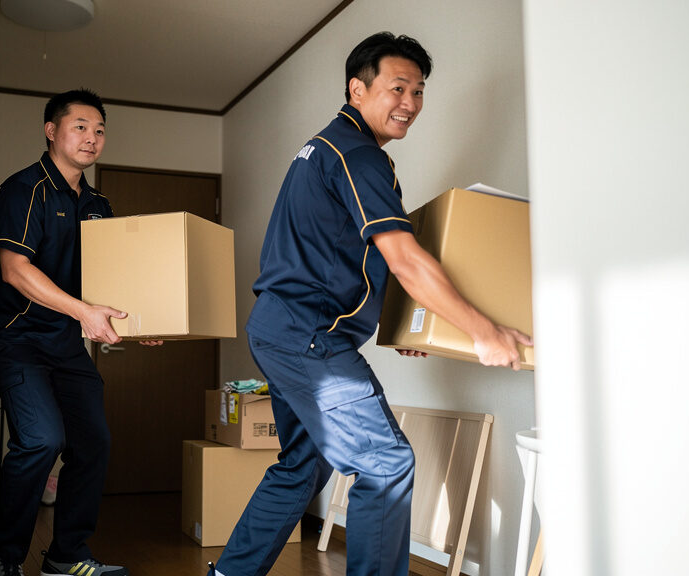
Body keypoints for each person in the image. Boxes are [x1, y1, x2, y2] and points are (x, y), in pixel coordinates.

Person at [209, 33, 533, 576]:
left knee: (301, 466)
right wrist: (483, 330)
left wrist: (405, 324)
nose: (409, 103)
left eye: (419, 91)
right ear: (357, 89)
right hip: (307, 334)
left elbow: (343, 258)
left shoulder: (328, 147)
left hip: (281, 328)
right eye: (397, 87)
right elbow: (403, 256)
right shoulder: (358, 155)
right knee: (385, 462)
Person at [0, 89, 160, 576]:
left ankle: (66, 556)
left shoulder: (99, 205)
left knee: (92, 442)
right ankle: (1, 556)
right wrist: (84, 314)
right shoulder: (23, 189)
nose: (92, 138)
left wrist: (143, 322)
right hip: (14, 336)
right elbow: (14, 270)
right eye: (80, 126)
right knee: (41, 439)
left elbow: (108, 282)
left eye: (99, 130)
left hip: (62, 340)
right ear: (51, 130)